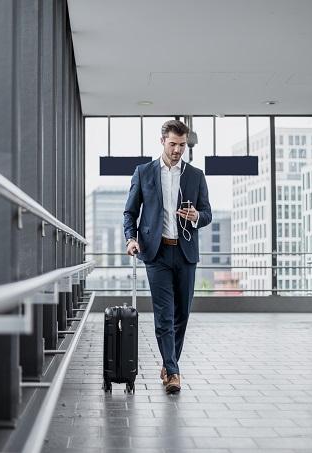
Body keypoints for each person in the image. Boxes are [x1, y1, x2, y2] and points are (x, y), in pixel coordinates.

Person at [123, 119, 212, 394]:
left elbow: (208, 214)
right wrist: (131, 238)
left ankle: (169, 362)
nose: (177, 150)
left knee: (182, 314)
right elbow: (130, 212)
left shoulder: (195, 176)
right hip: (156, 252)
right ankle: (173, 372)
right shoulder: (144, 172)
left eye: (182, 145)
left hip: (185, 252)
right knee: (164, 314)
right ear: (162, 141)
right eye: (173, 144)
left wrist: (197, 216)